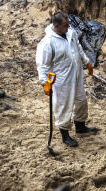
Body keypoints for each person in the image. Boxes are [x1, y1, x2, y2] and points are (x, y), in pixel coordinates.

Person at [36, 11, 97, 147]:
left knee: (81, 100)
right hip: (61, 80)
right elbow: (42, 66)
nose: (68, 27)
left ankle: (80, 126)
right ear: (56, 26)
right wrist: (44, 83)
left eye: (68, 24)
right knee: (63, 106)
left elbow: (78, 48)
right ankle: (65, 135)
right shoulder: (47, 43)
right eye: (65, 25)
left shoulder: (71, 33)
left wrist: (86, 61)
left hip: (76, 74)